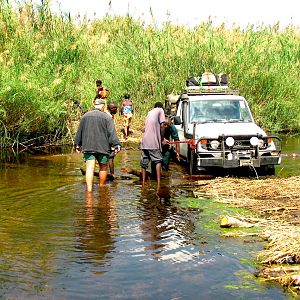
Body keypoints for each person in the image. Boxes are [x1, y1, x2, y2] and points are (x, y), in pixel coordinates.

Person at [75, 98, 121, 192]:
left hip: (88, 146)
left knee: (89, 168)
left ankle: (89, 190)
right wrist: (116, 145)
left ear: (94, 105)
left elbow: (79, 131)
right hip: (103, 147)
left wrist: (77, 144)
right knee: (103, 167)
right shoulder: (107, 118)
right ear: (103, 106)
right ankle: (101, 188)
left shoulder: (85, 116)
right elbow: (112, 133)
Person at [140, 102, 166, 187]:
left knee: (144, 163)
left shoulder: (149, 112)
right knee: (158, 161)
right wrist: (162, 139)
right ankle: (158, 184)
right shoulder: (160, 110)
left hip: (144, 142)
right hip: (153, 142)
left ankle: (143, 183)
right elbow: (162, 125)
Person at [106, 102, 118, 177]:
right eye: (115, 108)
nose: (117, 110)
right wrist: (114, 143)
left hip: (105, 139)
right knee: (111, 157)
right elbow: (110, 131)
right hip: (108, 140)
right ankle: (112, 175)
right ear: (112, 109)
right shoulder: (109, 117)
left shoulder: (108, 115)